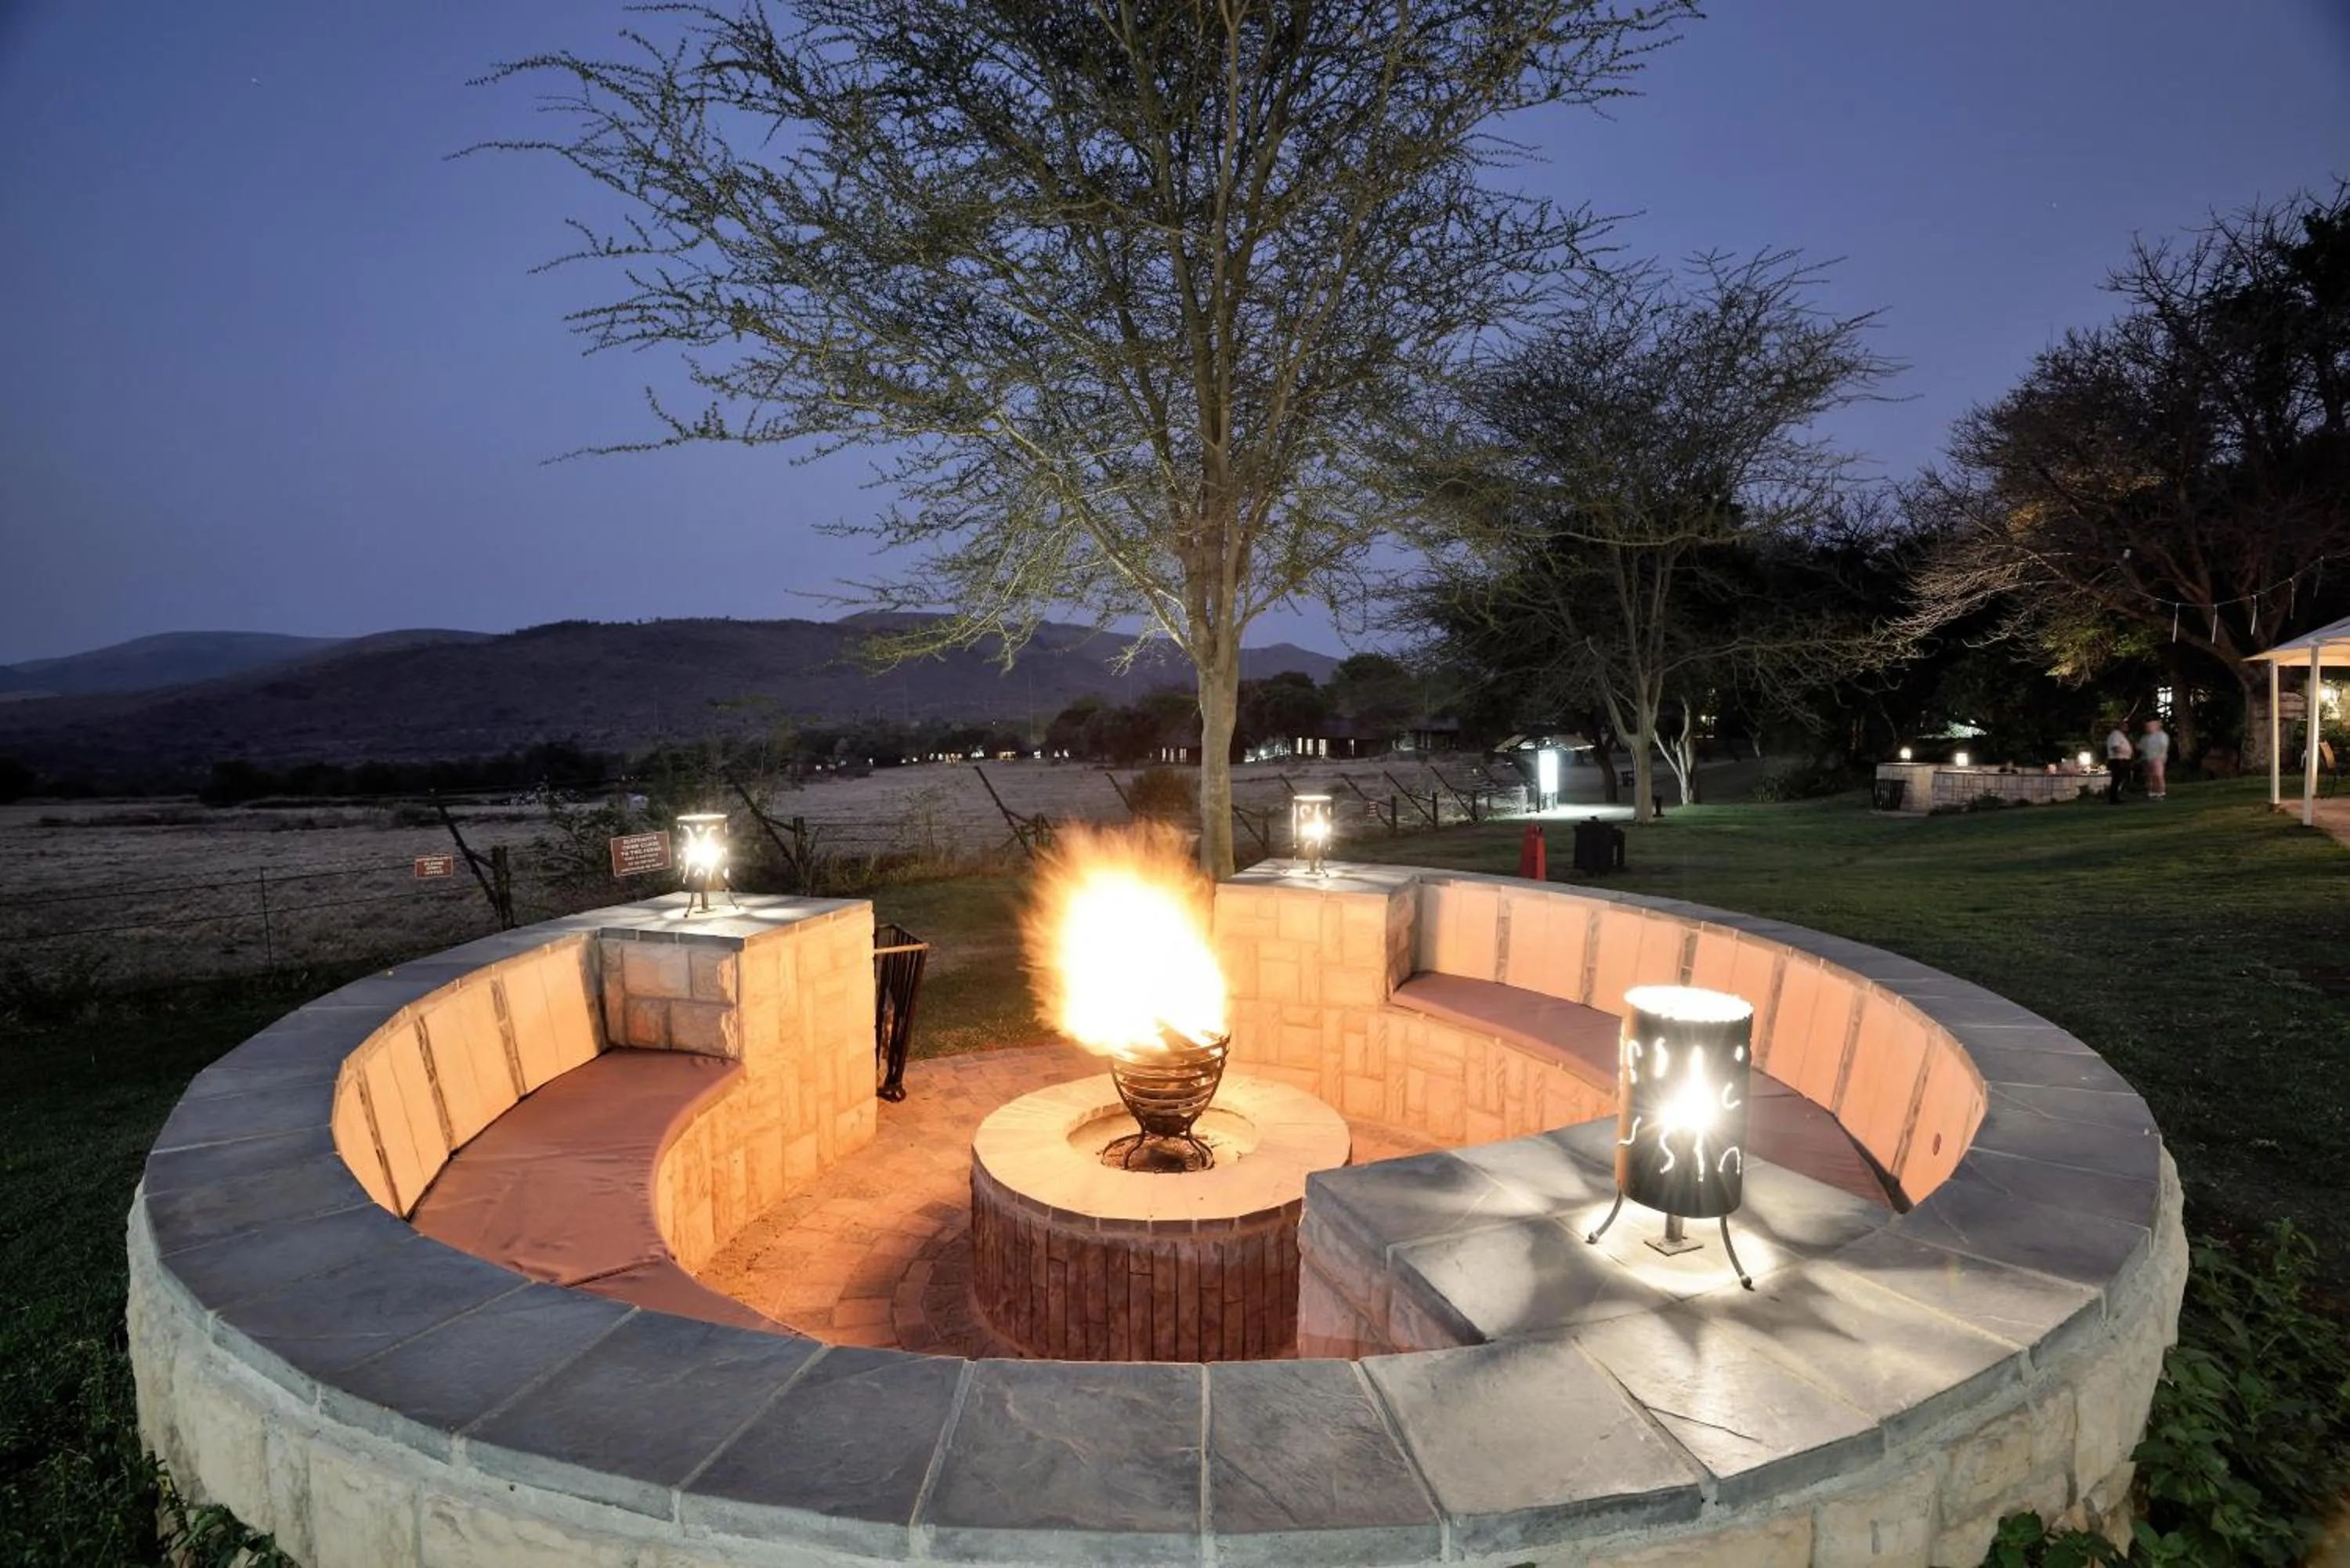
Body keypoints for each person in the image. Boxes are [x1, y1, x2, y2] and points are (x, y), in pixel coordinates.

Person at [2103, 721, 2134, 804]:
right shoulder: (2116, 735)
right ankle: (2114, 798)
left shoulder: (2121, 735)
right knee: (2117, 779)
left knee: (2120, 779)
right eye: (2125, 726)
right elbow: (2115, 747)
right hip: (2118, 760)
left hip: (2122, 759)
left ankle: (2117, 796)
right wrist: (2125, 752)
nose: (2127, 728)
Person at [2140, 717, 2170, 800]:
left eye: (2150, 726)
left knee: (2158, 775)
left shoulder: (2162, 736)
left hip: (2157, 758)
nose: (2148, 728)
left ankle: (2161, 792)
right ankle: (2152, 792)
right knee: (2150, 776)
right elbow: (2142, 747)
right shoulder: (2146, 737)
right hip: (2148, 758)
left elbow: (2163, 747)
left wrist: (2160, 757)